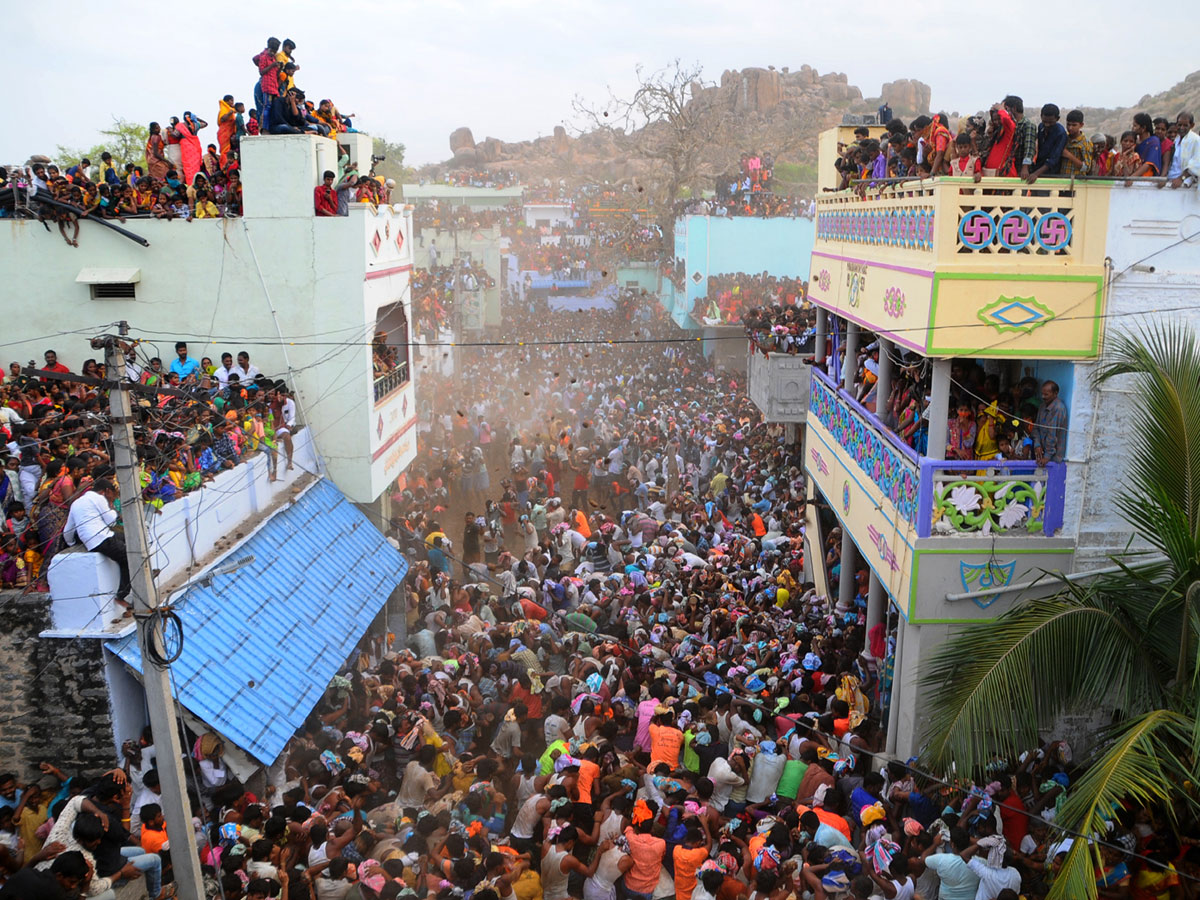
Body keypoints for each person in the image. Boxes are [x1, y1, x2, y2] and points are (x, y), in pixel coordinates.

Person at [61, 479, 130, 605]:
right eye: (112, 497)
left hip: (93, 540)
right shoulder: (99, 498)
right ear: (107, 491)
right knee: (129, 557)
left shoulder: (76, 503)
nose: (113, 499)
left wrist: (71, 544)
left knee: (128, 538)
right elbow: (111, 521)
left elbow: (68, 530)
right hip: (102, 538)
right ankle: (121, 595)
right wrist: (111, 507)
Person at [1026, 103, 1066, 184]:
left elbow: (1054, 158)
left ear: (1057, 119)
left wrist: (1036, 174)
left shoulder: (1060, 133)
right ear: (1041, 116)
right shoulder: (1041, 126)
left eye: (1050, 122)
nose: (1047, 124)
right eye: (1045, 121)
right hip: (1038, 167)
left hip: (1051, 173)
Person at [1032, 380, 1067, 465]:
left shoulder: (1058, 408)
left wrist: (1047, 456)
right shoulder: (1042, 406)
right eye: (1042, 394)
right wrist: (1037, 444)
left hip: (1053, 457)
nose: (1043, 397)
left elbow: (1052, 435)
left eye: (1046, 394)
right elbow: (1036, 428)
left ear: (1055, 393)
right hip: (1041, 452)